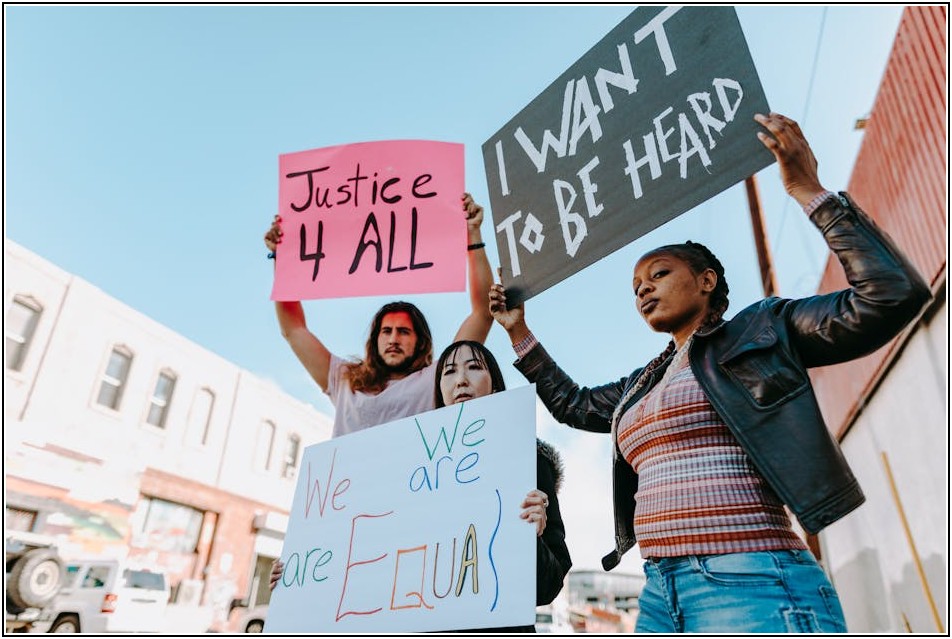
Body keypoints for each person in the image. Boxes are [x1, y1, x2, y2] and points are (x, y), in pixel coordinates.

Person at [488, 112, 931, 633]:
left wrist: (809, 191)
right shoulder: (641, 385)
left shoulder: (761, 330)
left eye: (659, 273)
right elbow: (574, 405)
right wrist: (518, 331)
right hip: (660, 592)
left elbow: (889, 296)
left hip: (750, 578)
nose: (643, 288)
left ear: (706, 280)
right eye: (636, 286)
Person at [264, 192, 495, 439]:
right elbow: (294, 329)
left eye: (403, 331)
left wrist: (473, 234)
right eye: (386, 331)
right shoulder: (344, 379)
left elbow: (482, 313)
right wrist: (281, 257)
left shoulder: (436, 379)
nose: (393, 339)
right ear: (375, 339)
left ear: (420, 342)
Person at [432, 340, 572, 633]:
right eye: (449, 371)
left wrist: (532, 538)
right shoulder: (414, 472)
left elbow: (548, 587)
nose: (461, 380)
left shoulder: (529, 461)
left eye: (474, 367)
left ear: (495, 385)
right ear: (439, 391)